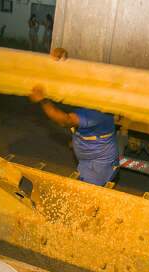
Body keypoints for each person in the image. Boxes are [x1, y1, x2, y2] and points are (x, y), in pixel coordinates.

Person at [29, 48, 119, 186]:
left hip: (98, 165)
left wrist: (43, 101)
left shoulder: (100, 110)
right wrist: (60, 62)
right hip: (86, 159)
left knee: (88, 195)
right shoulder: (91, 95)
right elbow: (72, 80)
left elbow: (66, 121)